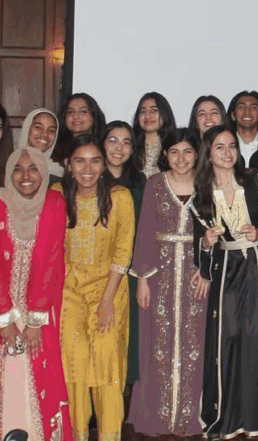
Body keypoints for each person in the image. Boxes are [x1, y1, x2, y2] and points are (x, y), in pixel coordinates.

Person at [192, 125, 258, 438]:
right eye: (219, 147)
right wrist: (205, 242)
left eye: (231, 146)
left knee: (256, 339)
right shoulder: (200, 191)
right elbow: (198, 243)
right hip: (225, 270)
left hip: (256, 266)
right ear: (209, 152)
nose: (227, 153)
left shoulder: (255, 181)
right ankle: (226, 416)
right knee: (227, 340)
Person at [0, 146, 71, 441]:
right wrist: (5, 322)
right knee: (5, 377)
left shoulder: (54, 203)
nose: (26, 176)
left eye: (33, 168)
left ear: (43, 171)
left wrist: (34, 321)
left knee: (40, 372)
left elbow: (53, 261)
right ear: (8, 173)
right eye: (17, 169)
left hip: (40, 311)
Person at [128, 128, 209, 437]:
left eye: (187, 151)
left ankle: (191, 415)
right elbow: (145, 232)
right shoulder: (155, 185)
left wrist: (207, 271)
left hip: (195, 277)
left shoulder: (206, 184)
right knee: (156, 344)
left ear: (197, 154)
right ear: (165, 155)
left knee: (195, 344)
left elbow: (215, 232)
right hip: (159, 278)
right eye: (174, 152)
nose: (181, 158)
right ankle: (157, 417)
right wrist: (143, 281)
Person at [56, 136, 135, 441]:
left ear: (104, 166)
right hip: (68, 294)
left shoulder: (120, 197)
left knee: (106, 367)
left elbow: (121, 252)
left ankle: (108, 435)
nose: (87, 168)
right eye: (80, 160)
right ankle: (76, 435)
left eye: (95, 161)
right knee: (73, 367)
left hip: (109, 292)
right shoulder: (56, 196)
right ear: (68, 165)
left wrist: (106, 301)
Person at [101, 121, 146, 388]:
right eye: (113, 141)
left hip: (129, 269)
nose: (119, 148)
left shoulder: (140, 183)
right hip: (93, 270)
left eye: (126, 142)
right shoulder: (89, 178)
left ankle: (121, 392)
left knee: (126, 333)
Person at [131, 92, 177, 177]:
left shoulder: (176, 147)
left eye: (154, 110)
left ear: (165, 114)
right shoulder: (130, 147)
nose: (147, 116)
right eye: (143, 111)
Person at [53, 92, 107, 162]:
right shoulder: (53, 149)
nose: (75, 116)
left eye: (83, 111)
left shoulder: (105, 149)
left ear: (94, 116)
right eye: (70, 112)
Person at [18, 108, 63, 180]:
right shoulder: (9, 166)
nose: (45, 134)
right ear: (27, 128)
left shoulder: (59, 172)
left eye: (51, 130)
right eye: (38, 127)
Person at [228, 90, 258, 167]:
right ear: (233, 115)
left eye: (253, 108)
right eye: (241, 107)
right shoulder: (224, 147)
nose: (247, 111)